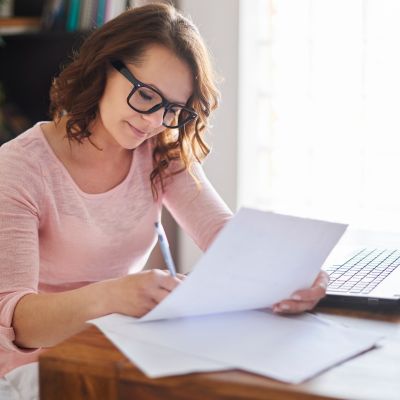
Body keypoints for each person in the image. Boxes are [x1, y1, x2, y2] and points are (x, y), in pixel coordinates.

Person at [0, 3, 329, 399]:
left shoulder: (159, 152)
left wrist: (294, 273)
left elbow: (225, 235)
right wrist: (112, 296)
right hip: (38, 368)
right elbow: (19, 324)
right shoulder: (20, 168)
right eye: (146, 96)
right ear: (105, 68)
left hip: (124, 349)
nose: (155, 121)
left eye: (173, 109)